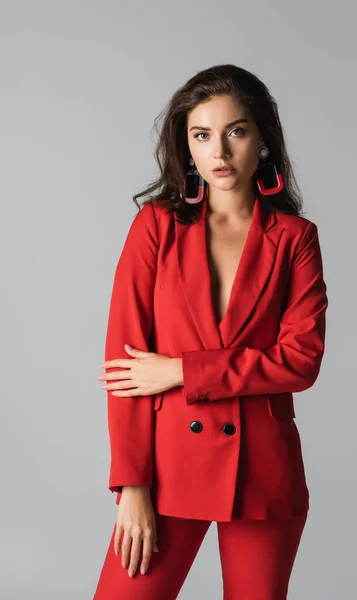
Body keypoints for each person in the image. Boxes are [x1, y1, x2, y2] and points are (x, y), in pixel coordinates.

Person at [93, 63, 328, 599]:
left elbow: (301, 360)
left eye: (236, 131)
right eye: (202, 135)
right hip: (168, 470)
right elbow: (124, 366)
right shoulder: (156, 225)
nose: (219, 152)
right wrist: (132, 486)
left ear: (262, 139)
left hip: (263, 476)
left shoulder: (295, 239)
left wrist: (178, 371)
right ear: (187, 147)